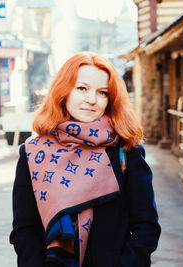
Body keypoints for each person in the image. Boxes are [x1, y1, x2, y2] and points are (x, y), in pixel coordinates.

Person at [10, 51, 160, 267]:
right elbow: (25, 230)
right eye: (82, 88)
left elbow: (146, 227)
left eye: (102, 92)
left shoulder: (126, 151)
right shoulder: (33, 153)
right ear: (64, 91)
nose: (92, 100)